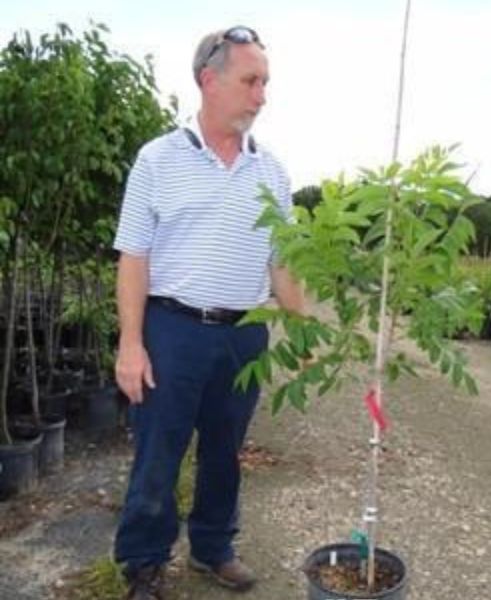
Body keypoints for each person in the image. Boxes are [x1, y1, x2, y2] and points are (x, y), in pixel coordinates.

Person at [112, 26, 305, 600]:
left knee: (225, 451)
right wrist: (131, 343)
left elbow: (283, 263)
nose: (261, 94)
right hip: (171, 330)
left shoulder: (271, 171)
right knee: (158, 453)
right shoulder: (158, 159)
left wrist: (308, 330)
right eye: (251, 81)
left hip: (242, 338)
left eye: (265, 82)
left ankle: (213, 547)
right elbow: (133, 257)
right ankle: (144, 562)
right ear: (208, 80)